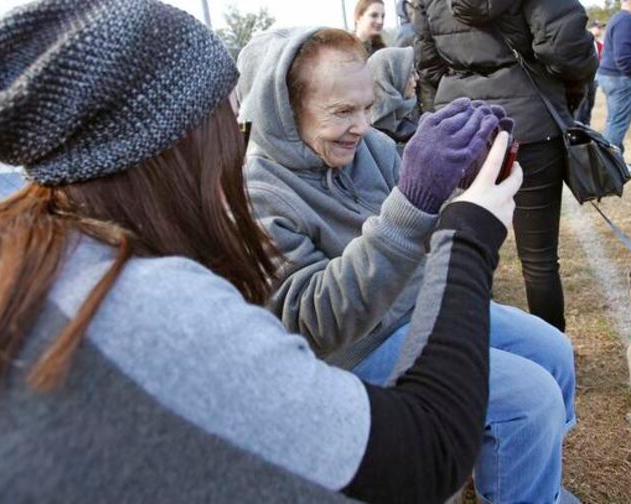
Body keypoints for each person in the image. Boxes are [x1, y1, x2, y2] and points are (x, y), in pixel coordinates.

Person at [0, 1, 529, 502]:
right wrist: (467, 228)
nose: (239, 133)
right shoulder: (159, 304)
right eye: (224, 113)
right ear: (175, 139)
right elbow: (422, 454)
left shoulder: (14, 256)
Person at [238, 27, 578, 504]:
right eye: (341, 111)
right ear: (284, 110)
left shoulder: (370, 147)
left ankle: (516, 474)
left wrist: (467, 175)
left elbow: (429, 224)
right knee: (529, 400)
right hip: (351, 348)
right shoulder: (258, 193)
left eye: (367, 106)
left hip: (414, 306)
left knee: (554, 352)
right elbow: (309, 322)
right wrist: (413, 204)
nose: (362, 124)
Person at [413, 0, 598, 333]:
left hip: (466, 124)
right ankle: (550, 350)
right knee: (538, 259)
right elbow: (566, 49)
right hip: (529, 123)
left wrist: (445, 118)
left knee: (467, 250)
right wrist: (568, 96)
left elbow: (428, 66)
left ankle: (479, 349)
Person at [598, 0, 631, 158]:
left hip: (613, 76)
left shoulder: (620, 18)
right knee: (616, 125)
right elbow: (622, 53)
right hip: (620, 78)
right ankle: (606, 164)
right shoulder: (626, 20)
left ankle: (615, 161)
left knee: (614, 121)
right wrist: (630, 72)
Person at [367, 47, 419, 149]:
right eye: (410, 74)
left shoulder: (416, 120)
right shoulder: (367, 134)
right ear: (390, 79)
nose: (417, 77)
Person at [576, 20, 606, 126]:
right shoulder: (582, 42)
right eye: (598, 27)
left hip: (594, 78)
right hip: (583, 77)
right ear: (590, 28)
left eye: (601, 28)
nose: (600, 30)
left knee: (589, 104)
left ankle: (587, 125)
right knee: (581, 105)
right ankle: (579, 126)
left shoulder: (599, 44)